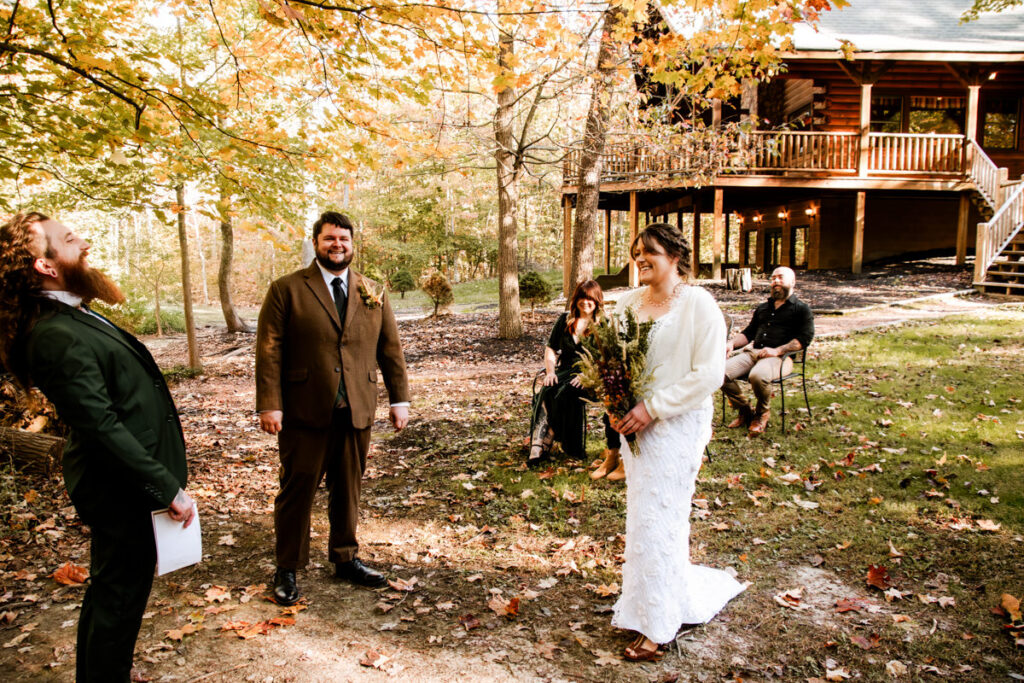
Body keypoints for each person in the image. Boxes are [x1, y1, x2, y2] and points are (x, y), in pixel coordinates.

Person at [0, 212, 195, 682]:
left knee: (115, 590)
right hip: (118, 485)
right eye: (69, 240)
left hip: (126, 478)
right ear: (45, 266)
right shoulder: (53, 334)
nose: (83, 243)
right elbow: (101, 425)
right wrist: (165, 486)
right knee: (119, 596)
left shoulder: (72, 312)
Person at [256, 210, 410, 605]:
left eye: (343, 239)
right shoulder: (286, 289)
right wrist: (270, 405)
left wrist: (399, 398)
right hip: (304, 410)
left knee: (348, 488)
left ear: (352, 244)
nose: (337, 245)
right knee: (298, 489)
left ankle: (345, 558)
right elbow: (269, 351)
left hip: (356, 407)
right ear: (316, 242)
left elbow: (389, 349)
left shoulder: (371, 290)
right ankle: (287, 567)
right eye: (329, 239)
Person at [609, 222, 745, 661]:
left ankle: (658, 626)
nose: (640, 258)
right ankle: (643, 605)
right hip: (633, 427)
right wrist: (615, 405)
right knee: (641, 517)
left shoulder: (698, 304)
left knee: (662, 519)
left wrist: (653, 408)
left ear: (674, 256)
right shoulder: (627, 302)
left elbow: (708, 374)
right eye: (636, 252)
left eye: (649, 251)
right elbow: (610, 361)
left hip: (675, 424)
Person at [528, 280, 622, 478]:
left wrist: (588, 375)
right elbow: (551, 348)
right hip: (565, 369)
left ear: (597, 301)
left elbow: (608, 356)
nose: (585, 302)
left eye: (590, 298)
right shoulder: (565, 320)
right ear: (576, 299)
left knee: (567, 392)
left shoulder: (603, 323)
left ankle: (548, 439)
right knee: (548, 389)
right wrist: (551, 371)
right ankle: (541, 440)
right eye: (582, 297)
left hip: (592, 373)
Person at [721, 266, 814, 435]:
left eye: (780, 277)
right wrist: (731, 344)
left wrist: (777, 350)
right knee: (717, 373)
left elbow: (804, 339)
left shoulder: (801, 309)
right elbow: (749, 333)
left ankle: (762, 413)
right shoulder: (763, 308)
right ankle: (745, 410)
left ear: (792, 282)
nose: (775, 281)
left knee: (757, 376)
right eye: (773, 278)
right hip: (753, 353)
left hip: (781, 358)